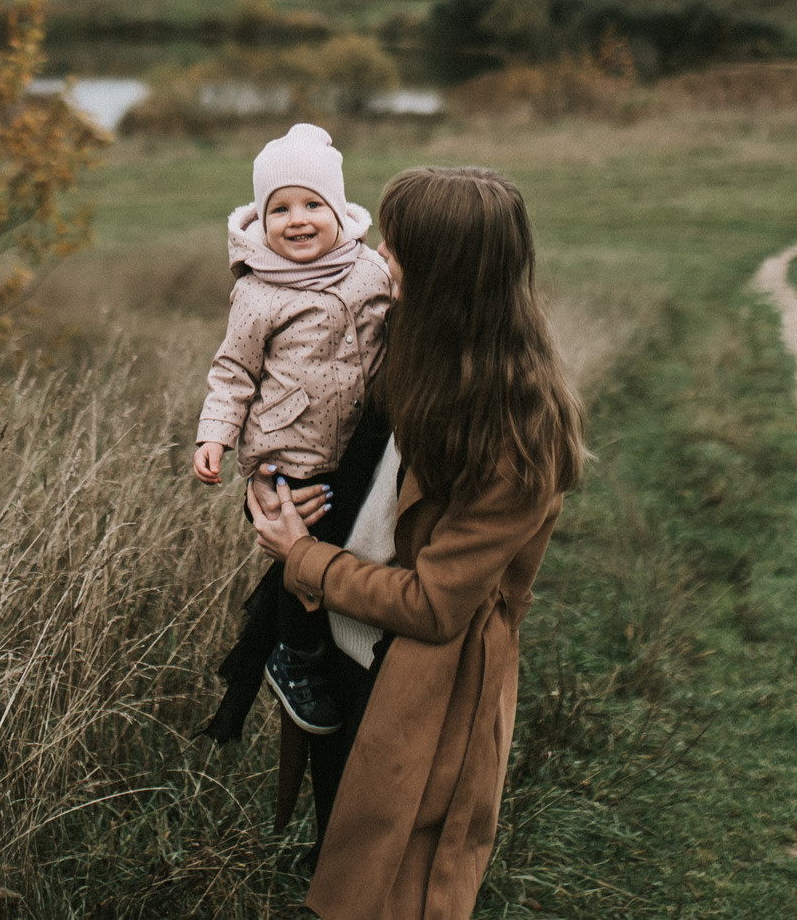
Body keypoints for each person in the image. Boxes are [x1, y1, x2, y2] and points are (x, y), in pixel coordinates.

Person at [249, 165, 586, 920]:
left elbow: (436, 605)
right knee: (342, 851)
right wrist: (271, 482)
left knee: (399, 886)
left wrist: (303, 558)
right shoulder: (407, 346)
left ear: (441, 272)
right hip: (342, 645)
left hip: (421, 687)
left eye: (397, 246)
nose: (379, 254)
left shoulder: (516, 433)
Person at [194, 123, 395, 735]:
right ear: (260, 218)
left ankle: (340, 652)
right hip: (291, 453)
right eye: (279, 208)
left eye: (312, 204)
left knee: (341, 545)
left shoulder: (369, 269)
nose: (297, 220)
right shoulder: (258, 293)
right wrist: (214, 436)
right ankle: (296, 656)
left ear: (338, 210)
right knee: (299, 546)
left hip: (360, 444)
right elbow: (233, 372)